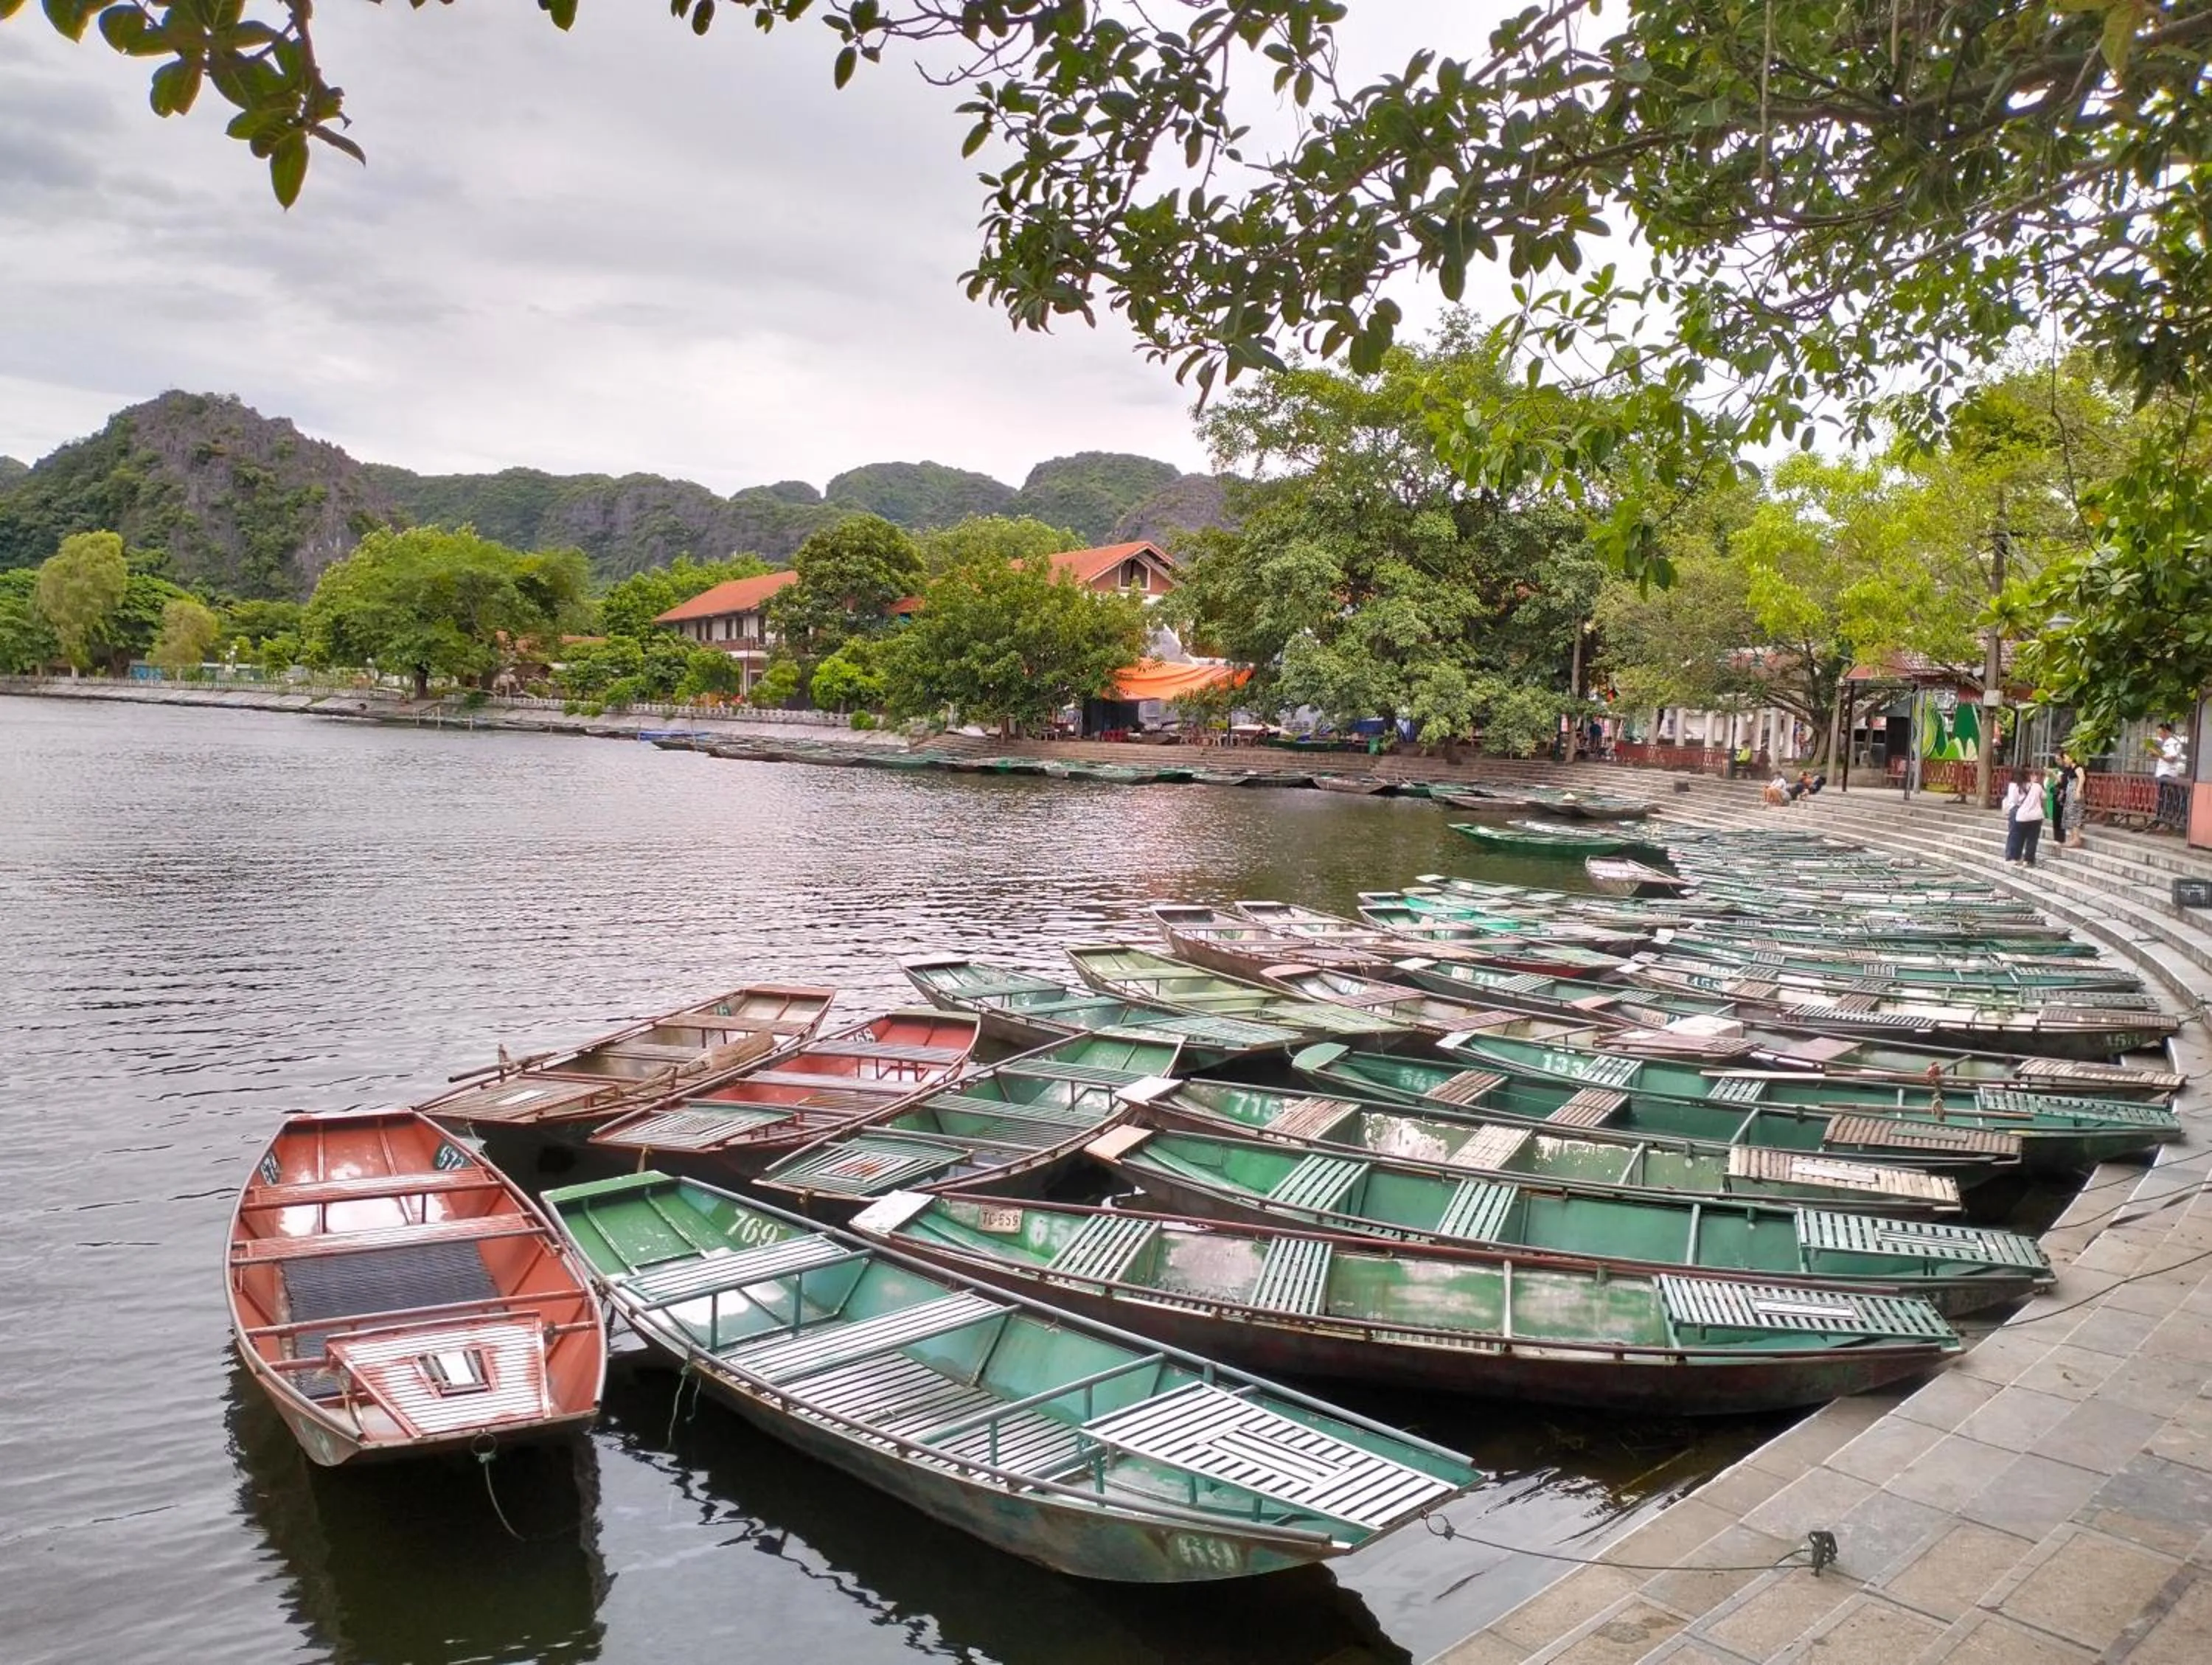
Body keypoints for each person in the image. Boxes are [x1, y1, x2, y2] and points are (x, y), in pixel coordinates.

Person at [2002, 768, 2047, 866]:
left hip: (2021, 815)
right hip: (2036, 816)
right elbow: (2044, 797)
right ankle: (2029, 860)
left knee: (2017, 836)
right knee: (2032, 839)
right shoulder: (2037, 786)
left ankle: (2014, 857)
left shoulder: (2016, 786)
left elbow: (2014, 801)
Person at [2152, 722, 2189, 830]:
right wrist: (2153, 752)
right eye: (2158, 733)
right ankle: (2160, 818)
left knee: (2166, 797)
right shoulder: (2161, 743)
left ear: (2167, 732)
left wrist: (2159, 754)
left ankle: (2166, 819)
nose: (2160, 736)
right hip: (2160, 772)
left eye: (2161, 733)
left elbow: (2172, 759)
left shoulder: (2173, 743)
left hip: (2168, 773)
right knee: (2161, 797)